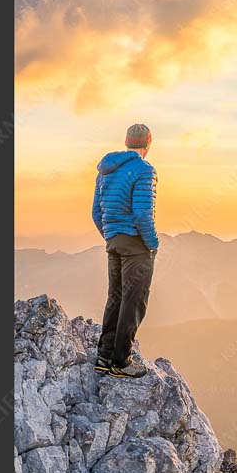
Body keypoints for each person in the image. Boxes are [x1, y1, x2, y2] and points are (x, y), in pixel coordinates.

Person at [92, 123, 159, 377]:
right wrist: (152, 244)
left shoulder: (106, 170)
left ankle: (104, 356)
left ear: (127, 142)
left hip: (114, 242)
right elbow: (143, 214)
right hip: (136, 246)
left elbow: (96, 213)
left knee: (116, 298)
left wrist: (111, 235)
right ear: (148, 143)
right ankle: (121, 362)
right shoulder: (144, 170)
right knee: (134, 302)